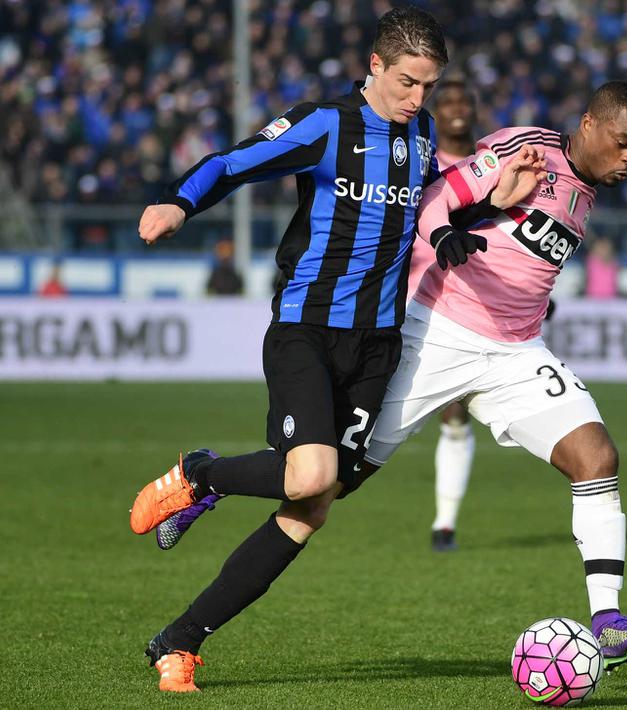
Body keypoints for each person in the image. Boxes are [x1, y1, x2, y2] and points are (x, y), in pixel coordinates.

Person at [157, 82, 627, 673]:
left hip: (515, 355)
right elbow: (431, 202)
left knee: (597, 457)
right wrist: (454, 228)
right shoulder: (526, 148)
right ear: (589, 124)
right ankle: (204, 481)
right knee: (317, 493)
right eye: (624, 144)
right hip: (434, 336)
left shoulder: (586, 190)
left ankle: (607, 621)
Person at [126, 8, 505, 693]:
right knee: (308, 478)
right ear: (376, 66)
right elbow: (234, 162)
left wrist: (490, 204)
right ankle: (199, 475)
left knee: (313, 503)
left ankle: (178, 641)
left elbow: (421, 213)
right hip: (306, 328)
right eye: (411, 83)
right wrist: (178, 204)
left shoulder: (417, 134)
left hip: (378, 347)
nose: (422, 100)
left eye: (431, 85)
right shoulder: (326, 124)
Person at [407, 77, 480, 552]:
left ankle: (444, 524)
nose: (454, 108)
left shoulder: (489, 167)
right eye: (446, 100)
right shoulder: (420, 160)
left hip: (464, 308)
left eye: (462, 101)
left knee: (455, 413)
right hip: (405, 296)